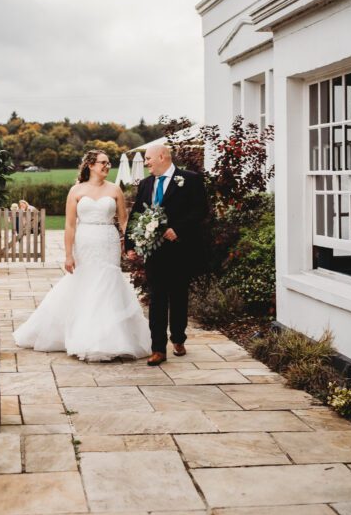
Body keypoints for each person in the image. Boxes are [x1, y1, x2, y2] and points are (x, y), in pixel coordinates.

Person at [13, 150, 151, 361]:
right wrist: (68, 255)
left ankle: (110, 338)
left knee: (108, 282)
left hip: (108, 240)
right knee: (86, 282)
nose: (107, 166)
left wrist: (131, 245)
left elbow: (124, 221)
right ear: (90, 165)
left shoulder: (115, 189)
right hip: (85, 240)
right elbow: (69, 225)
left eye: (108, 163)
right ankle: (84, 336)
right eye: (103, 163)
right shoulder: (76, 191)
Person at [125, 144, 208, 366]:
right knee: (157, 299)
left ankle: (178, 338)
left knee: (179, 297)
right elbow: (136, 215)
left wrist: (178, 229)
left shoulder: (189, 179)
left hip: (181, 249)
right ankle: (158, 349)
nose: (146, 163)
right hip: (155, 252)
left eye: (149, 159)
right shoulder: (145, 184)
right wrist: (130, 245)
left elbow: (201, 210)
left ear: (162, 157)